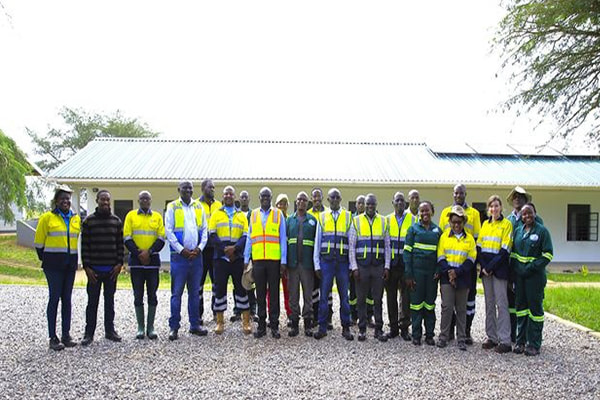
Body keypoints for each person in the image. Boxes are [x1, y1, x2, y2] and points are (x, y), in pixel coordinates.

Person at [34, 185, 81, 351]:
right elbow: (39, 243)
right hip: (53, 266)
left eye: (68, 199)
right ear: (56, 201)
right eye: (62, 198)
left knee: (67, 299)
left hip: (70, 265)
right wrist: (48, 258)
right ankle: (52, 337)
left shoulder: (75, 218)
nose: (65, 201)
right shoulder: (47, 218)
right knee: (54, 298)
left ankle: (66, 335)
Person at [165, 181, 208, 341]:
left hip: (197, 257)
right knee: (176, 294)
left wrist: (199, 248)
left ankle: (194, 325)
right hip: (179, 258)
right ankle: (174, 327)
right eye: (185, 188)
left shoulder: (198, 207)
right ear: (179, 190)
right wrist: (182, 250)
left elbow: (204, 229)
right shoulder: (172, 207)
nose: (188, 190)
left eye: (190, 188)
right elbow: (168, 231)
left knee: (195, 293)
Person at [438, 184, 481, 344]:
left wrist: (458, 272)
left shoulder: (469, 238)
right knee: (447, 308)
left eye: (459, 221)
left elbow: (471, 258)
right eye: (453, 221)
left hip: (463, 276)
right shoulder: (444, 237)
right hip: (446, 277)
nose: (456, 224)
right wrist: (449, 272)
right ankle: (444, 336)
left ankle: (461, 338)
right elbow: (441, 256)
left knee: (462, 309)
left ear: (463, 222)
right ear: (449, 221)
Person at [81, 189, 124, 346]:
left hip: (111, 270)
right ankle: (88, 333)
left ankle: (110, 331)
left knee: (109, 302)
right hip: (94, 271)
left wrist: (119, 264)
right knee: (92, 303)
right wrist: (87, 268)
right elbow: (84, 246)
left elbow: (120, 245)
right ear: (97, 201)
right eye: (102, 200)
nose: (105, 202)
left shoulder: (116, 221)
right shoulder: (88, 222)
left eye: (108, 200)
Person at [244, 187, 287, 339]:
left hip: (274, 261)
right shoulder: (254, 214)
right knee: (260, 294)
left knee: (274, 294)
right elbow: (250, 237)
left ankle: (274, 326)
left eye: (268, 196)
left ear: (271, 197)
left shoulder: (278, 214)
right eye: (263, 196)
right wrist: (246, 258)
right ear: (259, 197)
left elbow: (283, 238)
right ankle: (261, 326)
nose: (265, 198)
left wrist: (283, 261)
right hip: (258, 261)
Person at [510, 204, 553, 356]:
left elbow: (548, 254)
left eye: (530, 213)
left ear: (535, 213)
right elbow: (514, 255)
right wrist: (516, 272)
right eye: (524, 214)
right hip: (520, 277)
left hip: (534, 277)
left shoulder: (542, 231)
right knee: (521, 309)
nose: (527, 216)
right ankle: (520, 342)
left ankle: (534, 344)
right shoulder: (518, 231)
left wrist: (532, 267)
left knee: (535, 310)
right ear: (521, 217)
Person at [123, 191, 166, 340]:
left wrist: (150, 252)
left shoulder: (157, 217)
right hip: (136, 263)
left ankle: (151, 327)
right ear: (138, 200)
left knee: (152, 294)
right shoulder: (131, 216)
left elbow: (161, 237)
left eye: (147, 198)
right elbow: (127, 237)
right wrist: (138, 253)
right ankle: (140, 328)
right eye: (142, 198)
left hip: (152, 263)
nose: (145, 200)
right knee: (138, 294)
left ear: (151, 200)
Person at [313, 188, 355, 341]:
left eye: (337, 197)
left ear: (341, 199)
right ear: (328, 200)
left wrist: (352, 265)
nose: (335, 199)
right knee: (324, 296)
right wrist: (317, 264)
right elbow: (318, 242)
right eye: (332, 197)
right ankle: (322, 327)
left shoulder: (348, 216)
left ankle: (346, 327)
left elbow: (351, 243)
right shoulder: (322, 217)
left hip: (343, 263)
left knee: (345, 297)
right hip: (326, 263)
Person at [209, 186, 251, 334]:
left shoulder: (241, 216)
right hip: (220, 258)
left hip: (237, 258)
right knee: (220, 289)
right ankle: (220, 322)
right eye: (226, 193)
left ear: (235, 197)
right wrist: (225, 250)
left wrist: (235, 249)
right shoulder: (216, 214)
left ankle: (246, 321)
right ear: (223, 196)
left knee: (241, 289)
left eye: (231, 194)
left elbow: (246, 236)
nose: (228, 196)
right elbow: (212, 235)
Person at [506, 186, 544, 342]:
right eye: (514, 197)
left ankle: (531, 338)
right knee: (514, 304)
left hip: (532, 272)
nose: (517, 199)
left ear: (526, 200)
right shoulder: (508, 220)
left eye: (520, 196)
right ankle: (514, 336)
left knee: (532, 304)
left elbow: (543, 249)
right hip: (513, 268)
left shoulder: (537, 221)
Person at [351, 193, 391, 342]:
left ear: (376, 205)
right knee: (361, 299)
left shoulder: (383, 221)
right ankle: (362, 329)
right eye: (367, 204)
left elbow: (387, 246)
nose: (370, 207)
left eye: (372, 204)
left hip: (378, 266)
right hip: (361, 267)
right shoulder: (356, 221)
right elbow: (351, 246)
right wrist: (354, 267)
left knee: (378, 299)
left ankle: (378, 329)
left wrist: (387, 266)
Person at [477, 195, 513, 353]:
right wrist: (484, 267)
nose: (494, 209)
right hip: (486, 270)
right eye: (491, 206)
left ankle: (505, 340)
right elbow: (479, 247)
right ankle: (491, 337)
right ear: (488, 209)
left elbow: (505, 250)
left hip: (499, 270)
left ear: (501, 208)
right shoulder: (484, 224)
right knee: (489, 304)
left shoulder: (507, 225)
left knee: (501, 304)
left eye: (497, 206)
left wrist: (489, 267)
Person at [404, 201, 441, 346]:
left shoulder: (437, 231)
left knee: (430, 305)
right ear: (419, 213)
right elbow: (407, 253)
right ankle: (416, 335)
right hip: (417, 274)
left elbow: (441, 254)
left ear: (432, 212)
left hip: (431, 274)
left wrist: (438, 270)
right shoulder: (413, 229)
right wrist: (409, 274)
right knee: (416, 305)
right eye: (422, 211)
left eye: (427, 211)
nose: (425, 213)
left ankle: (430, 335)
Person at [285, 191, 318, 337]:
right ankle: (294, 324)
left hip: (307, 265)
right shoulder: (289, 220)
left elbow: (316, 244)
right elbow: (284, 242)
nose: (302, 202)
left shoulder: (312, 221)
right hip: (292, 265)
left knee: (307, 296)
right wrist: (284, 263)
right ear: (296, 202)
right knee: (293, 296)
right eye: (299, 199)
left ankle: (307, 324)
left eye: (305, 200)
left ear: (307, 203)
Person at [385, 191, 417, 341]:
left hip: (405, 265)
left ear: (406, 203)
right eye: (397, 200)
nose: (400, 203)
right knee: (391, 296)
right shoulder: (387, 220)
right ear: (393, 202)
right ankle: (393, 328)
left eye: (402, 201)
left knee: (406, 297)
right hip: (391, 265)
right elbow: (385, 244)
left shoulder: (413, 219)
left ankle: (404, 328)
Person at [307, 187, 333, 330]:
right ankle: (316, 316)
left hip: (327, 258)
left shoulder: (328, 213)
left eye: (319, 196)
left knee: (327, 289)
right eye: (314, 197)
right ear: (312, 199)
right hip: (312, 258)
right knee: (314, 289)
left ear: (323, 198)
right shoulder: (308, 214)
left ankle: (328, 317)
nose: (316, 199)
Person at [198, 179, 222, 325]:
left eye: (213, 187)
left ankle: (215, 313)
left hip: (215, 250)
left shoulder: (219, 205)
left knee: (216, 283)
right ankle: (199, 315)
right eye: (210, 187)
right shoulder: (196, 205)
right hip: (201, 250)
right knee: (199, 284)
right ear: (202, 188)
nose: (212, 189)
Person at [232, 190, 257, 321]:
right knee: (237, 283)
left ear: (249, 199)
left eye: (246, 197)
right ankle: (237, 310)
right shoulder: (235, 214)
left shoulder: (254, 214)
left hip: (252, 254)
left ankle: (253, 310)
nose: (244, 199)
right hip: (237, 254)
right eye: (242, 197)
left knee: (250, 283)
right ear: (239, 199)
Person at [349, 194, 373, 325]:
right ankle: (353, 315)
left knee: (369, 293)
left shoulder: (372, 220)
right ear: (356, 205)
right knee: (353, 291)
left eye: (363, 203)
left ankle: (369, 316)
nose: (361, 205)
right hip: (355, 263)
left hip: (368, 263)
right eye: (359, 203)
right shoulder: (351, 220)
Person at [275, 193, 292, 327]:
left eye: (284, 203)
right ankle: (272, 316)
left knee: (288, 290)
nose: (282, 206)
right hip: (274, 260)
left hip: (287, 262)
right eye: (280, 203)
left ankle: (290, 315)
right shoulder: (272, 220)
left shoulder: (290, 221)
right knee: (272, 290)